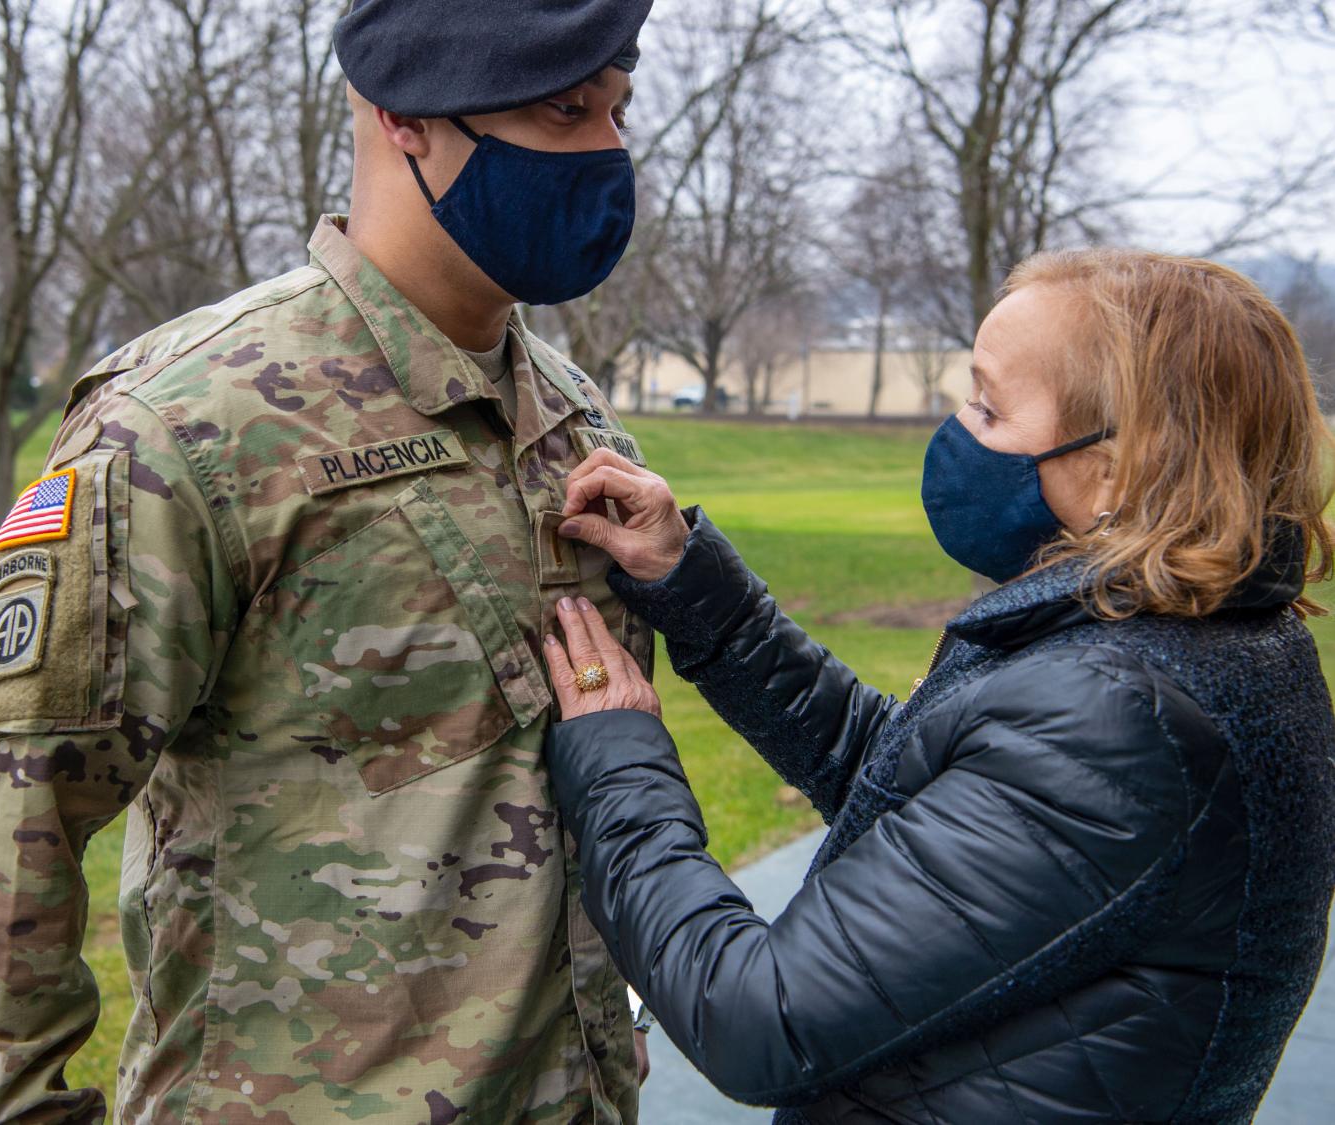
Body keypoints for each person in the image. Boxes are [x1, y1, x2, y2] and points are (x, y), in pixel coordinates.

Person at [0, 1, 660, 1120]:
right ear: (402, 116)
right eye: (564, 109)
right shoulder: (186, 427)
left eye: (619, 109)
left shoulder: (575, 426)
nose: (607, 152)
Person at [539, 249, 1335, 1122]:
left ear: (1118, 470)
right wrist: (698, 589)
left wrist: (617, 756)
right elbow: (913, 793)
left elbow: (760, 1017)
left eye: (990, 407)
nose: (958, 428)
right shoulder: (1201, 638)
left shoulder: (1123, 717)